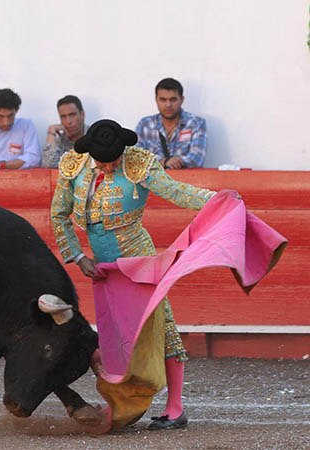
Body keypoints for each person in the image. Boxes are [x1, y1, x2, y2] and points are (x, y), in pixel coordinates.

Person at [50, 119, 217, 430]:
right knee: (115, 337)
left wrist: (214, 200)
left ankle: (175, 407)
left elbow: (176, 191)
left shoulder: (139, 164)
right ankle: (121, 403)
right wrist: (77, 256)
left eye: (115, 158)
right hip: (102, 269)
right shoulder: (73, 166)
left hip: (138, 261)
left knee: (160, 325)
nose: (110, 164)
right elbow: (58, 214)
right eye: (104, 160)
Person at [135, 78, 206, 169]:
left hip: (186, 181)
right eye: (163, 100)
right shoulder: (145, 124)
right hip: (153, 182)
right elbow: (135, 157)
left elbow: (197, 158)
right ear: (156, 99)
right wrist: (163, 162)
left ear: (181, 99)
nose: (168, 105)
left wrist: (172, 162)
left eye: (173, 100)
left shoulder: (196, 123)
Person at [42, 95, 87, 168]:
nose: (68, 121)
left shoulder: (95, 135)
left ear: (82, 115)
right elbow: (49, 165)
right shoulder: (58, 141)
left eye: (72, 115)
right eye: (63, 117)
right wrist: (51, 130)